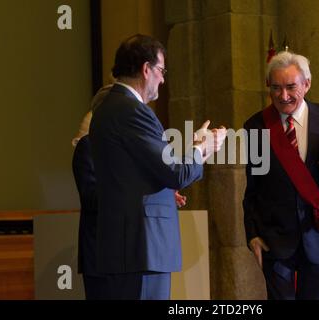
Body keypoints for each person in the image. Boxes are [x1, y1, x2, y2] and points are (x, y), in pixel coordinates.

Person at [89, 34, 226, 300]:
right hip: (141, 249)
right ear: (146, 69)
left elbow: (137, 174)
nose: (163, 79)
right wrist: (203, 148)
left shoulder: (109, 108)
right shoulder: (132, 110)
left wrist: (195, 146)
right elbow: (175, 173)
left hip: (127, 248)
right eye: (161, 71)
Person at [243, 51, 319, 300]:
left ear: (306, 84)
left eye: (290, 87)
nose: (283, 96)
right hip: (274, 241)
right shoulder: (256, 127)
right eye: (275, 88)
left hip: (318, 236)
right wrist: (252, 234)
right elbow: (253, 188)